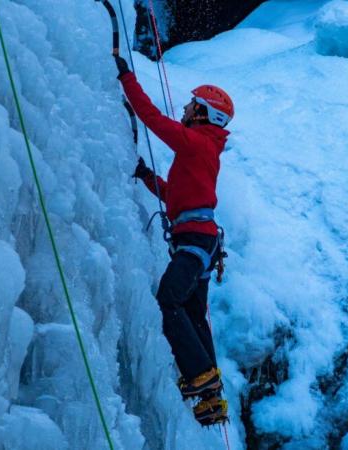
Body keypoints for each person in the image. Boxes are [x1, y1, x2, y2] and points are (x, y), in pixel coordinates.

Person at [115, 55, 233, 426]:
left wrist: (126, 77)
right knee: (195, 315)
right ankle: (211, 400)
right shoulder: (203, 149)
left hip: (196, 240)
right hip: (200, 240)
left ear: (204, 114)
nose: (185, 108)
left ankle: (199, 376)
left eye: (192, 104)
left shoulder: (197, 143)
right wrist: (146, 176)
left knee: (169, 299)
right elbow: (177, 197)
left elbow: (151, 118)